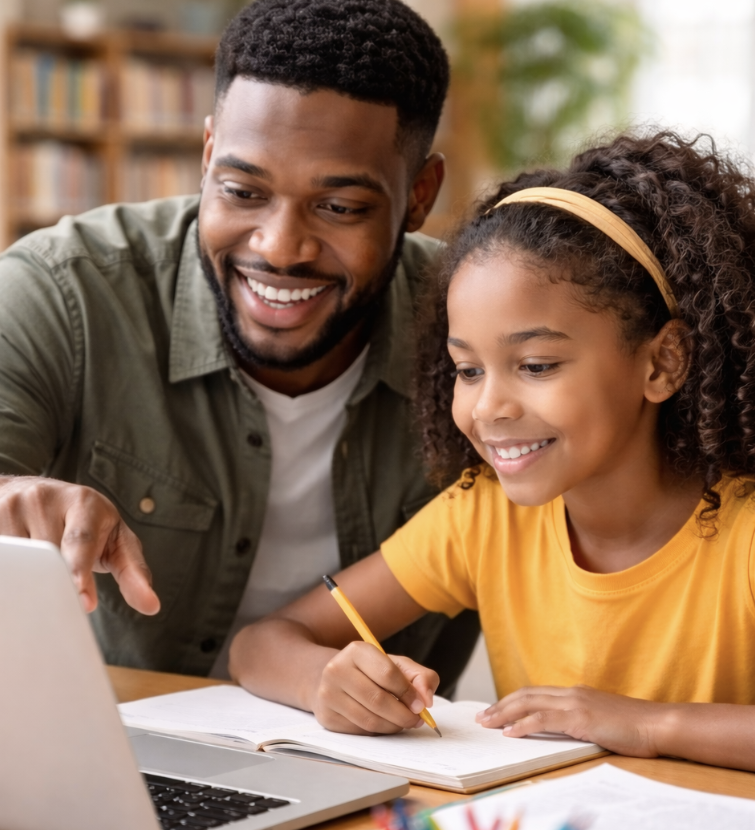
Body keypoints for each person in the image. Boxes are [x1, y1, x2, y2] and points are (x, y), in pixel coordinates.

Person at [0, 0, 480, 684]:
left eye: (339, 206)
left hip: (387, 768)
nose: (280, 247)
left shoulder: (474, 326)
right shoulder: (66, 288)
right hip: (122, 747)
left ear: (421, 196)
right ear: (207, 154)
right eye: (243, 192)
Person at [229, 130, 755, 771]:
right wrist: (325, 680)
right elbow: (260, 645)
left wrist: (644, 723)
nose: (487, 409)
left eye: (536, 365)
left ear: (662, 363)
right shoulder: (485, 517)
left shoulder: (743, 532)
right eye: (468, 371)